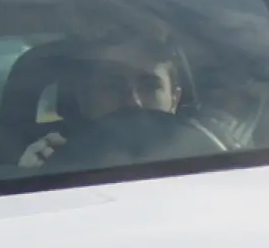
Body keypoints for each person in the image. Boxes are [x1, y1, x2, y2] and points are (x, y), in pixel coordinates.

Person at [18, 35, 185, 168]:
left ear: (174, 99)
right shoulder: (56, 161)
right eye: (113, 87)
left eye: (149, 86)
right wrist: (34, 179)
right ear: (83, 100)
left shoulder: (206, 162)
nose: (134, 102)